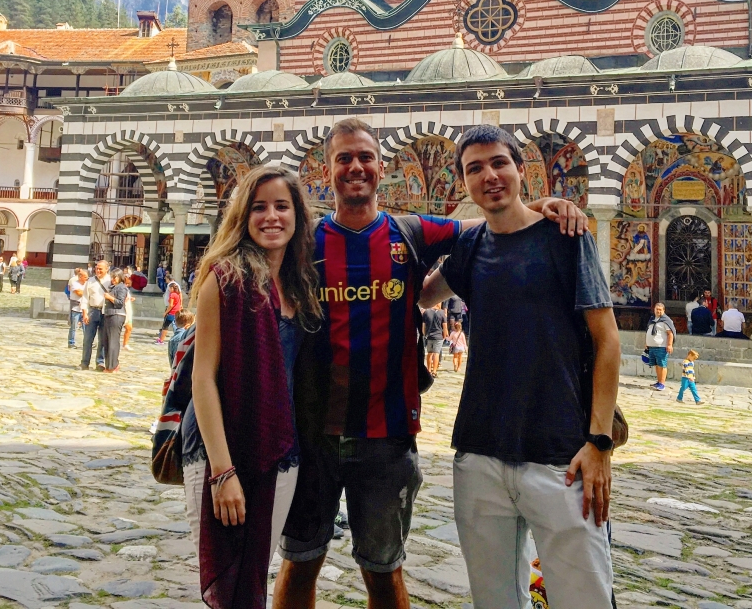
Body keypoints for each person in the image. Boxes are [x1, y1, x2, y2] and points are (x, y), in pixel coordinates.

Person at [275, 118, 586, 609]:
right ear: (325, 168)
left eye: (365, 157)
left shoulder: (411, 232)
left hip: (387, 437)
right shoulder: (304, 241)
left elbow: (489, 223)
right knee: (299, 563)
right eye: (343, 158)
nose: (355, 167)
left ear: (382, 167)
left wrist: (543, 205)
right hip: (312, 434)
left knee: (384, 571)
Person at [418, 124, 620, 609]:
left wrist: (599, 443)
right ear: (463, 182)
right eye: (475, 169)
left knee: (585, 599)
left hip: (560, 455)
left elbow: (608, 340)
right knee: (495, 600)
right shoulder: (470, 247)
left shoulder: (565, 237)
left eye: (499, 163)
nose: (489, 176)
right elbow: (422, 295)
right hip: (480, 452)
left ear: (521, 169)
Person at [183, 165, 321, 609]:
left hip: (281, 452)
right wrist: (223, 473)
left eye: (282, 206)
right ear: (243, 216)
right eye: (259, 207)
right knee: (230, 586)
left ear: (297, 215)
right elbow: (203, 378)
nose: (271, 217)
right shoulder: (225, 279)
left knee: (254, 577)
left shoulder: (300, 286)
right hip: (219, 453)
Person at [82, 260, 111, 370]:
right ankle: (85, 362)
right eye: (96, 268)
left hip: (105, 312)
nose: (98, 270)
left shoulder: (111, 281)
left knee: (103, 339)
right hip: (93, 311)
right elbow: (85, 298)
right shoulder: (90, 281)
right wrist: (85, 313)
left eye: (100, 269)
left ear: (107, 269)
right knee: (88, 338)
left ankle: (100, 362)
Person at [101, 268, 128, 372]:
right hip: (109, 314)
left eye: (115, 277)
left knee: (113, 341)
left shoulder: (122, 287)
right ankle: (109, 365)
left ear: (120, 277)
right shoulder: (113, 287)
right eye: (112, 277)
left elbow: (120, 303)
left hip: (117, 315)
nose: (113, 279)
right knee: (107, 341)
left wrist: (109, 297)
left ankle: (113, 366)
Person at [646, 302, 676, 391]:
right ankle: (658, 382)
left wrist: (669, 345)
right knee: (657, 364)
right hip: (652, 346)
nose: (658, 311)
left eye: (660, 309)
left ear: (663, 310)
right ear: (654, 309)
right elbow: (649, 331)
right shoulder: (652, 319)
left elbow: (670, 333)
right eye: (657, 309)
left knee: (662, 365)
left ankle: (662, 383)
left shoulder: (666, 321)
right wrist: (647, 343)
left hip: (661, 346)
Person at [422, 303, 447, 377]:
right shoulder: (442, 313)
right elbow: (444, 326)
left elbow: (423, 326)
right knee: (436, 353)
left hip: (429, 336)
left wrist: (425, 334)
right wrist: (444, 336)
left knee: (429, 353)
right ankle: (434, 371)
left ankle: (429, 370)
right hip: (438, 336)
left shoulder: (426, 312)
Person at [68, 267, 88, 349]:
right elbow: (79, 293)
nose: (87, 278)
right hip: (76, 308)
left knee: (86, 327)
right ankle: (71, 342)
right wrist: (86, 293)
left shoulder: (87, 284)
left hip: (84, 309)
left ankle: (87, 342)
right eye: (85, 277)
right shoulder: (74, 284)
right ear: (80, 277)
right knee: (74, 327)